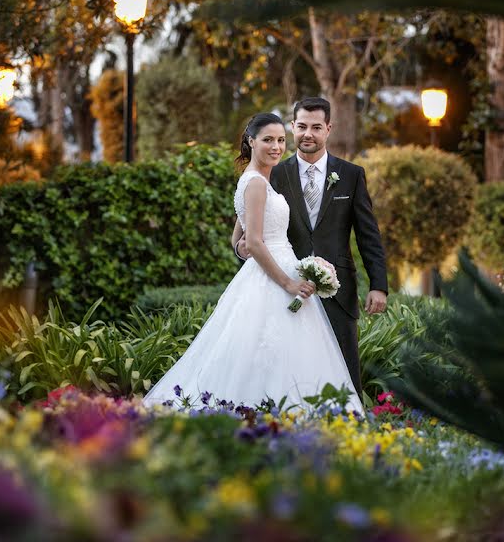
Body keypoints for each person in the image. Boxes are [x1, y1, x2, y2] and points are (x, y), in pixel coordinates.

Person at [143, 113, 362, 412]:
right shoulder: (257, 184)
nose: (276, 147)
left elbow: (240, 238)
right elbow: (255, 241)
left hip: (276, 264)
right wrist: (287, 282)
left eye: (281, 140)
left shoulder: (256, 180)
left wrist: (246, 249)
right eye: (268, 140)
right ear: (251, 141)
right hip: (276, 275)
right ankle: (281, 411)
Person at [236, 97, 388, 400]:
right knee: (290, 369)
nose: (308, 133)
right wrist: (243, 250)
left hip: (337, 290)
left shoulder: (352, 175)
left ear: (328, 129)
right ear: (293, 127)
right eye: (302, 126)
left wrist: (379, 285)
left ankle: (351, 436)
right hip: (287, 289)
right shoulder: (273, 172)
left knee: (344, 372)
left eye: (316, 127)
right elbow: (249, 229)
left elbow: (368, 235)